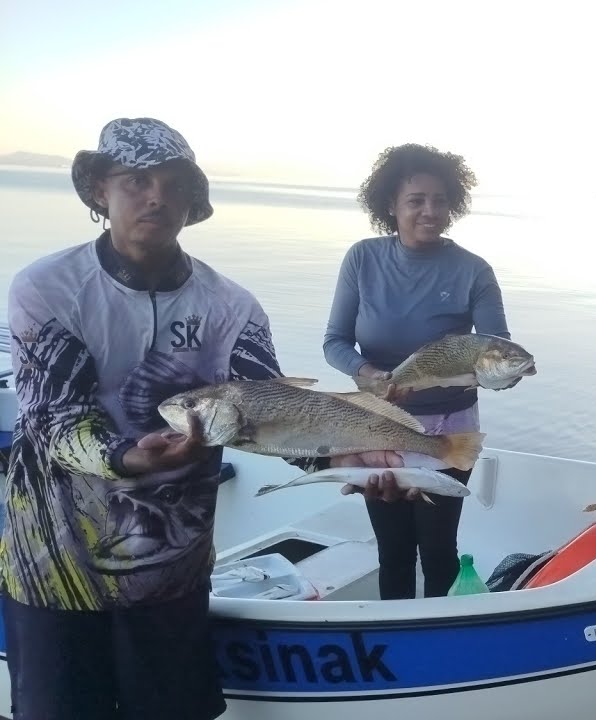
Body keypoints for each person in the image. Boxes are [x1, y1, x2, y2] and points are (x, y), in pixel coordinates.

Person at [0, 117, 404, 720]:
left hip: (170, 573)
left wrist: (340, 451)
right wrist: (126, 456)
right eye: (136, 180)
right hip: (54, 566)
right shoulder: (48, 289)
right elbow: (56, 420)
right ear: (99, 191)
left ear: (193, 201)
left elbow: (272, 411)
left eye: (174, 183)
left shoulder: (230, 306)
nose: (156, 195)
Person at [323, 143, 510, 600]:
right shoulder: (362, 259)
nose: (431, 211)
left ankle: (444, 646)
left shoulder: (473, 271)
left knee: (438, 545)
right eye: (416, 201)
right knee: (393, 547)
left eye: (441, 200)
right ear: (391, 205)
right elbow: (335, 343)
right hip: (377, 425)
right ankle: (397, 642)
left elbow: (497, 351)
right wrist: (366, 372)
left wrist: (503, 373)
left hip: (450, 432)